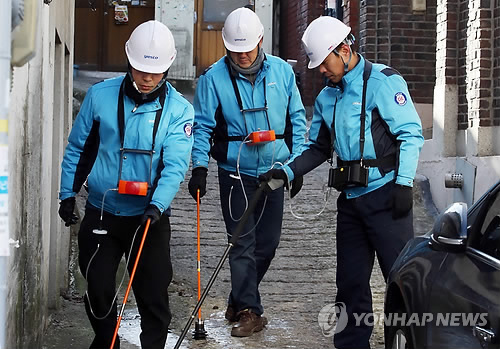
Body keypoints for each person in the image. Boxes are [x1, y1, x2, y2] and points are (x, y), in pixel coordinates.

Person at [261, 16, 424, 348]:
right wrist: (288, 172)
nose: (320, 70)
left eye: (324, 62)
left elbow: (410, 134)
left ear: (344, 49)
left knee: (400, 279)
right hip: (350, 202)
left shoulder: (383, 82)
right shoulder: (326, 98)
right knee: (349, 282)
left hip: (387, 197)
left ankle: (411, 340)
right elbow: (318, 147)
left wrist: (404, 185)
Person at [58, 20, 194, 349]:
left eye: (155, 71)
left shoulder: (180, 111)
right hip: (103, 211)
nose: (147, 78)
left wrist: (157, 205)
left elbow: (175, 166)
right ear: (128, 61)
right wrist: (67, 194)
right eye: (140, 69)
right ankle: (108, 341)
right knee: (99, 288)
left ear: (167, 68)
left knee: (153, 296)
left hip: (148, 217)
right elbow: (79, 147)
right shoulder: (99, 96)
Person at [187, 7, 307, 338]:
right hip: (235, 172)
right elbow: (202, 128)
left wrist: (296, 168)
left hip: (275, 171)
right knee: (241, 243)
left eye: (247, 50)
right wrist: (199, 167)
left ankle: (238, 298)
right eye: (235, 51)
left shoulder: (283, 72)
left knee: (267, 244)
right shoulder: (212, 79)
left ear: (260, 41)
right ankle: (250, 311)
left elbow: (297, 120)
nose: (241, 56)